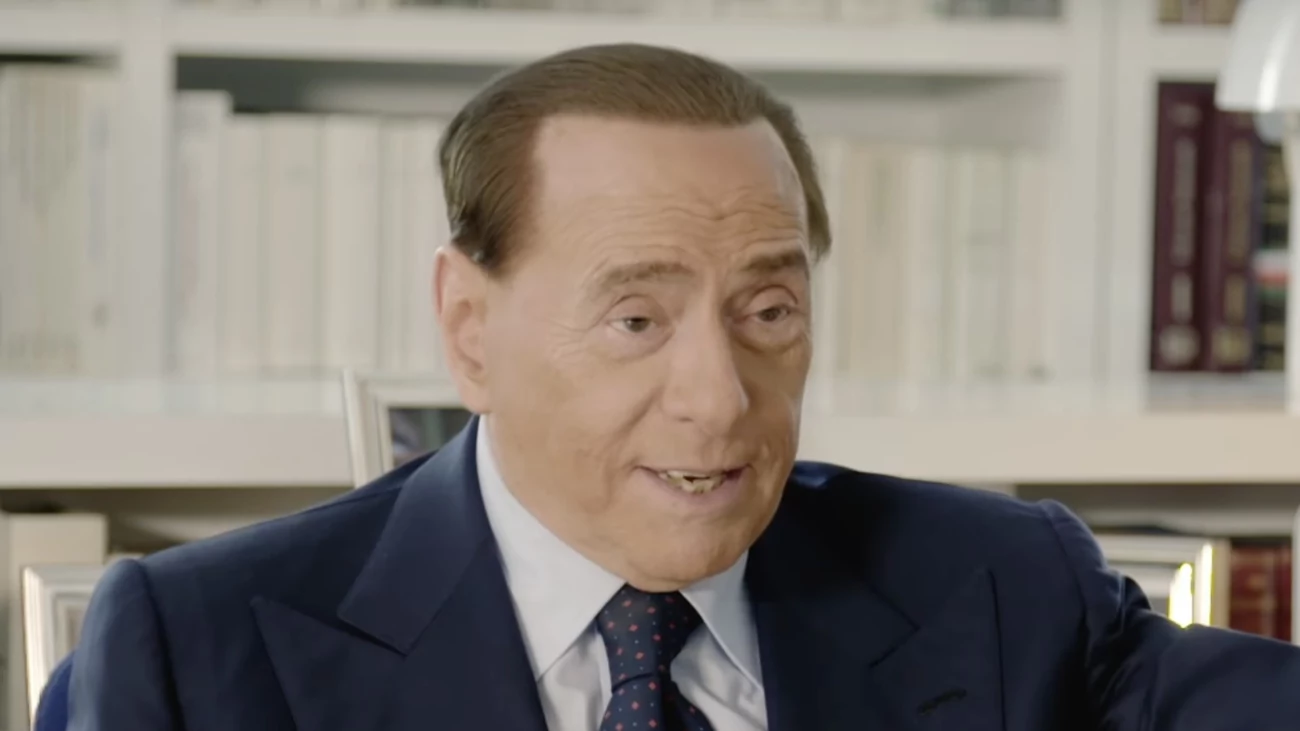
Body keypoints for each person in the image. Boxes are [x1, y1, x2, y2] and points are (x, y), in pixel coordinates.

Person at [68, 42, 1300, 731]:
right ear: (469, 327)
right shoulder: (195, 655)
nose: (718, 400)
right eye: (636, 319)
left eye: (767, 313)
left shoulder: (1001, 589)